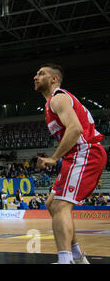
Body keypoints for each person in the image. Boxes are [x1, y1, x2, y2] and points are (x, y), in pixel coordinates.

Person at [34, 63, 107, 264]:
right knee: (51, 203)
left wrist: (53, 158)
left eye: (41, 74)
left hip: (86, 153)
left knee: (59, 205)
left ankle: (66, 260)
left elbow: (74, 129)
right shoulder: (52, 103)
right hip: (76, 156)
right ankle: (75, 255)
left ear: (54, 79)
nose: (36, 77)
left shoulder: (58, 98)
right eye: (36, 74)